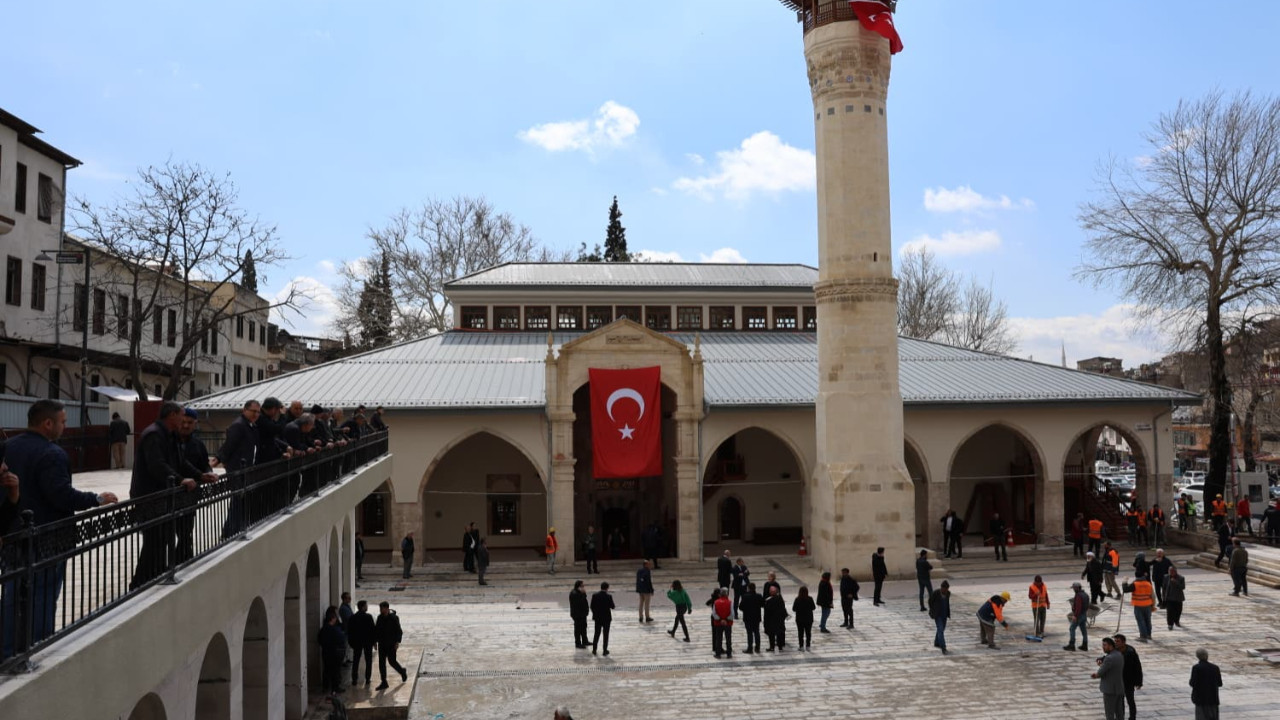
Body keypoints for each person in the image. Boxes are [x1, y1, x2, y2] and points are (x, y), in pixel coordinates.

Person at [2, 401, 120, 659]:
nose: (65, 427)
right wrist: (96, 499)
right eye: (63, 421)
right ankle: (38, 648)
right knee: (42, 597)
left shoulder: (8, 448)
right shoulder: (52, 454)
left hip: (13, 535)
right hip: (48, 539)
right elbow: (61, 496)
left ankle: (8, 651)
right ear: (48, 423)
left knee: (12, 597)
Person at [129, 402, 214, 591]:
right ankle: (140, 583)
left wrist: (200, 475)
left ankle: (157, 575)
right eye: (181, 417)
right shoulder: (154, 434)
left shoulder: (169, 435)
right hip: (151, 497)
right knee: (154, 541)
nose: (183, 422)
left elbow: (180, 462)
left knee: (164, 539)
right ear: (172, 415)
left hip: (165, 498)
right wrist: (180, 480)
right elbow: (157, 465)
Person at [216, 400, 260, 539]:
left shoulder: (249, 425)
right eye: (253, 411)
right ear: (244, 410)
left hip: (244, 469)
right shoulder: (239, 425)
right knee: (237, 500)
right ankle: (230, 531)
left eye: (258, 412)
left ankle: (233, 529)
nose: (256, 414)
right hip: (237, 469)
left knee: (240, 501)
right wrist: (221, 459)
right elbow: (229, 446)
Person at [374, 601, 408, 690]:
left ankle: (402, 671)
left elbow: (399, 631)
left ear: (387, 608)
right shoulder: (379, 618)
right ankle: (384, 682)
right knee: (381, 663)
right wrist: (375, 642)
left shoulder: (394, 618)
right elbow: (377, 631)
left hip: (391, 644)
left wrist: (397, 642)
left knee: (392, 661)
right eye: (380, 608)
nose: (380, 610)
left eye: (382, 608)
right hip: (382, 644)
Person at [1092, 637, 1126, 720]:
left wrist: (1095, 675)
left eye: (1105, 645)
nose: (1103, 647)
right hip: (1119, 688)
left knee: (1109, 713)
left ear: (1111, 646)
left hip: (1110, 690)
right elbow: (1111, 669)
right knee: (1119, 713)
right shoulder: (1119, 654)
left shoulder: (1109, 658)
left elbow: (1100, 673)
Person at [318, 606, 348, 695]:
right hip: (335, 653)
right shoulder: (334, 629)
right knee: (335, 671)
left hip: (326, 652)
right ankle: (335, 688)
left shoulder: (323, 629)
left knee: (326, 670)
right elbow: (341, 639)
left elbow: (319, 640)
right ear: (332, 619)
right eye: (335, 618)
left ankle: (325, 687)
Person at [1114, 634, 1144, 720]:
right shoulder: (1114, 650)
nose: (1116, 643)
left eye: (1118, 641)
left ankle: (1132, 717)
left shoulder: (1131, 652)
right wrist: (1101, 659)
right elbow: (1107, 657)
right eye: (1115, 641)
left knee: (1130, 700)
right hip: (1119, 680)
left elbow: (1137, 667)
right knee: (1120, 701)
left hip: (1129, 681)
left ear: (1123, 642)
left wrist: (1139, 682)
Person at [347, 600, 376, 687]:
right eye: (366, 606)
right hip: (367, 642)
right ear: (363, 607)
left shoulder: (353, 617)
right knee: (368, 661)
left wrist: (351, 642)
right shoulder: (368, 617)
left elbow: (350, 631)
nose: (367, 607)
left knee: (356, 661)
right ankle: (367, 679)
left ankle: (354, 680)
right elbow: (373, 630)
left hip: (357, 642)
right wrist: (374, 642)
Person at [1189, 648, 1222, 720]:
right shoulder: (1215, 668)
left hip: (1201, 699)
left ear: (1197, 656)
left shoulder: (1196, 668)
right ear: (1207, 656)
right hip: (1213, 699)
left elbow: (1192, 683)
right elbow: (1220, 683)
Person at [1121, 573, 1155, 641]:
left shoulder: (1135, 584)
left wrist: (1124, 581)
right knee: (1148, 620)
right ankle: (1149, 635)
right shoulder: (1148, 584)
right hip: (1148, 605)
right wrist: (1153, 605)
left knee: (1141, 620)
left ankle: (1143, 636)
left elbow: (1125, 589)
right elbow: (1153, 595)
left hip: (1139, 605)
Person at [1064, 581, 1090, 652]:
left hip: (1079, 615)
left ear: (1076, 588)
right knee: (1083, 630)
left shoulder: (1078, 595)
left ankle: (1071, 645)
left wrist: (1075, 616)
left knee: (1072, 628)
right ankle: (1085, 645)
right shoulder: (1085, 594)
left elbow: (1078, 607)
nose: (1073, 590)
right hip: (1084, 614)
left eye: (1074, 588)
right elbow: (1087, 605)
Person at [590, 582, 614, 656]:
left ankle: (594, 649)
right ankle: (604, 650)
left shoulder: (595, 595)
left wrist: (595, 613)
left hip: (598, 618)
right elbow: (612, 606)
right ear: (607, 588)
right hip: (606, 618)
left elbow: (591, 606)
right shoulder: (609, 596)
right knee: (605, 634)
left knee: (596, 633)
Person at [928, 580, 951, 654]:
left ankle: (936, 642)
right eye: (944, 589)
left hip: (944, 614)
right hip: (937, 615)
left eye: (946, 589)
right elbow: (930, 601)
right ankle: (943, 647)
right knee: (940, 629)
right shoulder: (936, 593)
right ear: (941, 588)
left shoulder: (948, 594)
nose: (945, 591)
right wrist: (933, 610)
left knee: (941, 629)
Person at [739, 582, 763, 653]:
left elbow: (740, 607)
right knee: (756, 632)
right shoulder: (759, 596)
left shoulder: (745, 596)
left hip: (748, 618)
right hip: (756, 617)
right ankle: (757, 648)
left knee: (749, 633)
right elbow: (762, 604)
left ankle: (750, 648)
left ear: (748, 588)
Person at [763, 584, 788, 651]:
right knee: (779, 633)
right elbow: (783, 609)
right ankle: (780, 646)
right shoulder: (780, 599)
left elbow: (767, 611)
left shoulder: (768, 601)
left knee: (771, 634)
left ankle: (772, 647)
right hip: (779, 620)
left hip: (771, 620)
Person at [711, 587, 734, 658]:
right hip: (728, 623)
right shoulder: (730, 602)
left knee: (718, 638)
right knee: (728, 638)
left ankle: (718, 654)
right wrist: (726, 620)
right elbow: (732, 614)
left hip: (718, 623)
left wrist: (720, 619)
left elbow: (714, 613)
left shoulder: (716, 602)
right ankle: (729, 653)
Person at [792, 585, 815, 650]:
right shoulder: (810, 599)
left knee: (800, 633)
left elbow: (794, 609)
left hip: (799, 619)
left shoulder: (797, 599)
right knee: (808, 632)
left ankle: (801, 646)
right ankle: (808, 645)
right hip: (808, 619)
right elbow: (813, 607)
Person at [1028, 574, 1050, 639]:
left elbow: (1046, 595)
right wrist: (1035, 594)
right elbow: (1030, 596)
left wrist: (1048, 603)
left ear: (1041, 582)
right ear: (1035, 582)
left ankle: (1042, 632)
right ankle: (1037, 633)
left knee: (1043, 619)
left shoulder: (1044, 586)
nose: (1038, 584)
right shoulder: (1032, 587)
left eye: (1039, 583)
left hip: (1043, 605)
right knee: (1037, 620)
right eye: (1036, 583)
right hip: (1035, 606)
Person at [570, 580, 590, 649]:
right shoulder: (574, 593)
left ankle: (585, 641)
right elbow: (579, 602)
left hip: (582, 614)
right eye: (582, 586)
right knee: (578, 629)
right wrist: (583, 594)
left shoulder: (578, 592)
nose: (583, 587)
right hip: (577, 615)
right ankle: (578, 643)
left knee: (584, 628)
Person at [338, 591, 354, 665]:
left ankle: (347, 658)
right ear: (344, 599)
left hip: (349, 628)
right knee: (346, 645)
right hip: (347, 628)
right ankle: (343, 660)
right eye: (348, 598)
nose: (350, 599)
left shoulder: (347, 606)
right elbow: (349, 618)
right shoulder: (343, 608)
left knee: (347, 645)